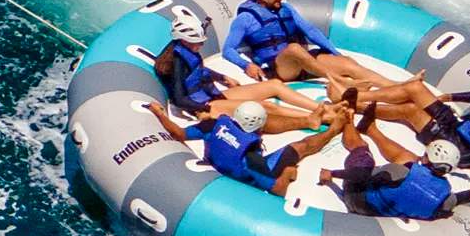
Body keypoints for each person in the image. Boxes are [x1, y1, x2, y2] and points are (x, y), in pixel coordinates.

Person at [339, 58, 470, 174]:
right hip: (460, 128)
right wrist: (450, 96)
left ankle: (355, 107)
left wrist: (456, 161)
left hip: (460, 145)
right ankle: (355, 99)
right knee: (414, 88)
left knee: (410, 110)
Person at [153, 9, 329, 131]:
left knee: (274, 85)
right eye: (197, 42)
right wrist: (203, 107)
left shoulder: (187, 49)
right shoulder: (176, 61)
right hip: (204, 106)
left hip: (212, 95)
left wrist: (221, 77)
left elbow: (197, 71)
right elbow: (178, 98)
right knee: (263, 107)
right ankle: (314, 119)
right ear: (183, 39)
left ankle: (324, 109)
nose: (201, 45)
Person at [319, 104, 470, 219]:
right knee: (408, 159)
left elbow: (361, 175)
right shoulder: (445, 194)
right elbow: (455, 199)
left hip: (358, 201)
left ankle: (347, 121)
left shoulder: (399, 173)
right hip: (384, 214)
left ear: (429, 158)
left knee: (362, 151)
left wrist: (332, 175)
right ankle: (370, 128)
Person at [147, 99, 349, 198]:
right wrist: (287, 175)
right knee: (298, 148)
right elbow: (276, 191)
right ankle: (333, 130)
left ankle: (309, 120)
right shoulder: (252, 158)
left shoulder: (213, 125)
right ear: (260, 125)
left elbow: (179, 134)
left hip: (216, 166)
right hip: (241, 181)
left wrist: (160, 114)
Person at [223, 0, 384, 87]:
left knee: (348, 63)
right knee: (294, 49)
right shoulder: (245, 19)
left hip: (304, 62)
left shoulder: (286, 9)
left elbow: (311, 31)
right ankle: (338, 81)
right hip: (280, 69)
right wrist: (247, 65)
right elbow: (228, 49)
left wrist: (335, 54)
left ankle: (397, 87)